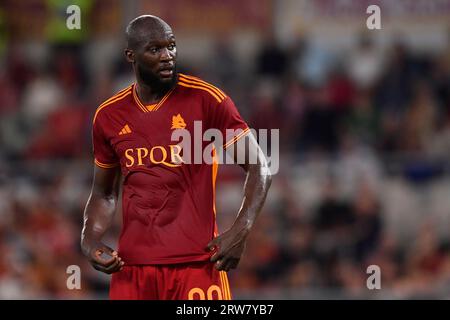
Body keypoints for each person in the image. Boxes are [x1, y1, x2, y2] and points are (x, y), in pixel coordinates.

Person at [81, 15, 272, 300]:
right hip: (132, 269)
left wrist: (241, 229)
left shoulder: (207, 100)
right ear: (130, 56)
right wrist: (90, 239)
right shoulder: (108, 116)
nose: (167, 55)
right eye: (155, 49)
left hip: (196, 264)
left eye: (171, 46)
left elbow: (260, 167)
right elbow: (104, 193)